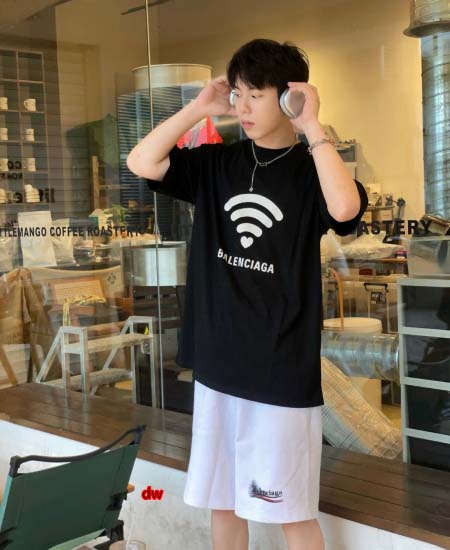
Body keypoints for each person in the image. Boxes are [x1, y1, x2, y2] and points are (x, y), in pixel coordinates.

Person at [127, 38, 368, 550]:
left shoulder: (311, 170)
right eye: (238, 93)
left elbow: (345, 210)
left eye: (255, 95)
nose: (242, 106)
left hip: (279, 370)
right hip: (217, 365)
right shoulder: (217, 164)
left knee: (291, 512)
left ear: (288, 96)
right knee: (224, 503)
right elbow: (142, 161)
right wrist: (198, 107)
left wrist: (312, 126)